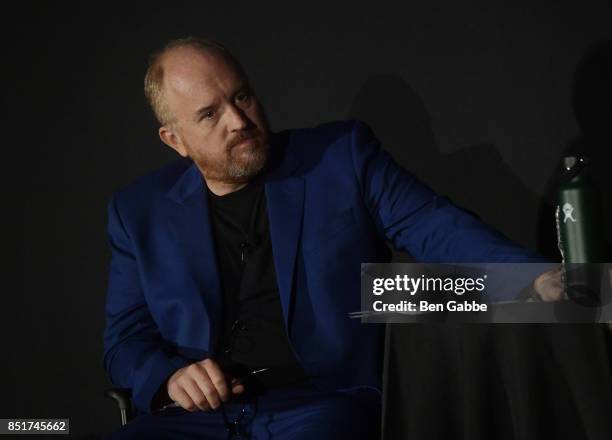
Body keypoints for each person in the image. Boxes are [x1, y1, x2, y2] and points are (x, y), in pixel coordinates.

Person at [103, 37, 562, 439]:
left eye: (241, 96)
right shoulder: (138, 211)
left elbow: (434, 225)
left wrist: (531, 279)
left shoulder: (340, 157)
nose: (238, 120)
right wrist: (169, 377)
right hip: (196, 419)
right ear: (174, 140)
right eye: (209, 114)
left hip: (323, 406)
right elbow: (125, 340)